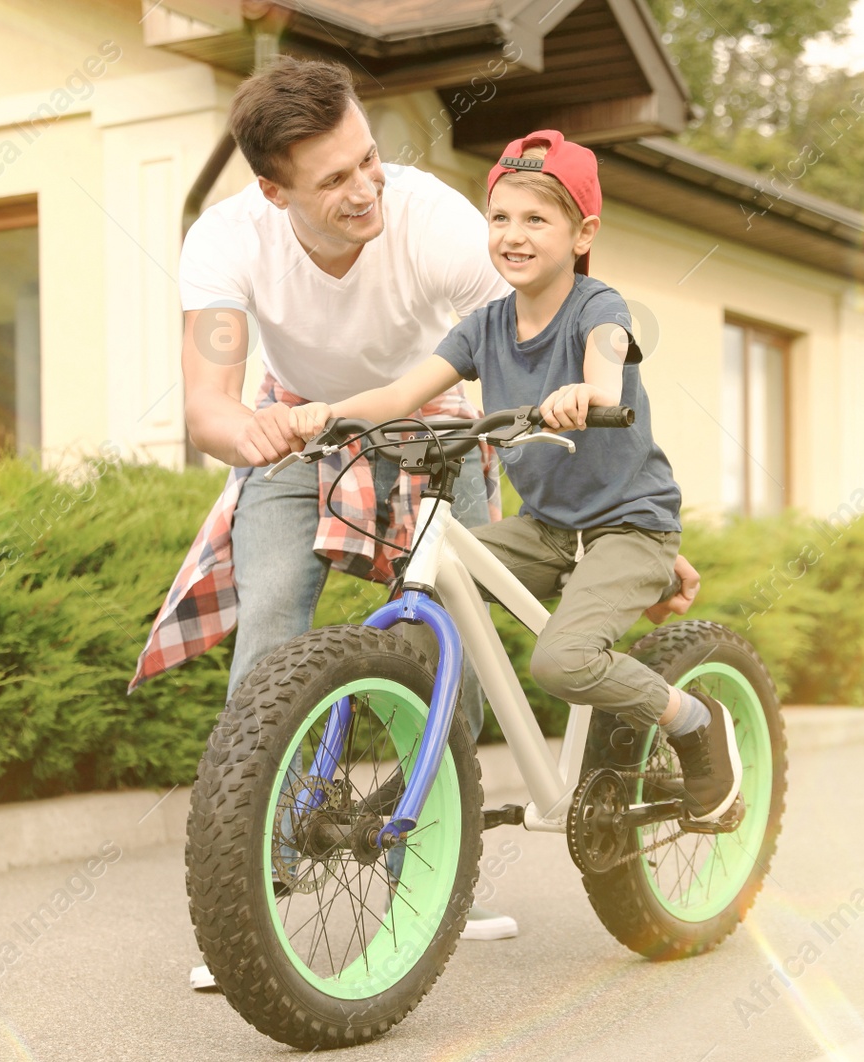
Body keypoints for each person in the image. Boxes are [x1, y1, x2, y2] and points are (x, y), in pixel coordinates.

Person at [127, 59, 703, 986]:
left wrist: (631, 534)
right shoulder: (225, 240)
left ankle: (431, 880)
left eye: (367, 160)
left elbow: (563, 319)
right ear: (273, 191)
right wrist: (256, 427)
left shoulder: (436, 221)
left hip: (437, 422)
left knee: (458, 651)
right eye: (333, 180)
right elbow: (209, 407)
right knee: (272, 625)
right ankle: (258, 895)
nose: (365, 191)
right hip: (306, 422)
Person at [287, 130, 740, 822]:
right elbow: (399, 394)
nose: (513, 235)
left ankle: (692, 721)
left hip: (629, 526)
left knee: (561, 662)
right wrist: (328, 415)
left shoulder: (597, 308)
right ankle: (422, 773)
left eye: (536, 219)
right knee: (424, 592)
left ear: (582, 230)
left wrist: (587, 394)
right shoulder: (483, 326)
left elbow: (606, 357)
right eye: (500, 217)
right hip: (550, 529)